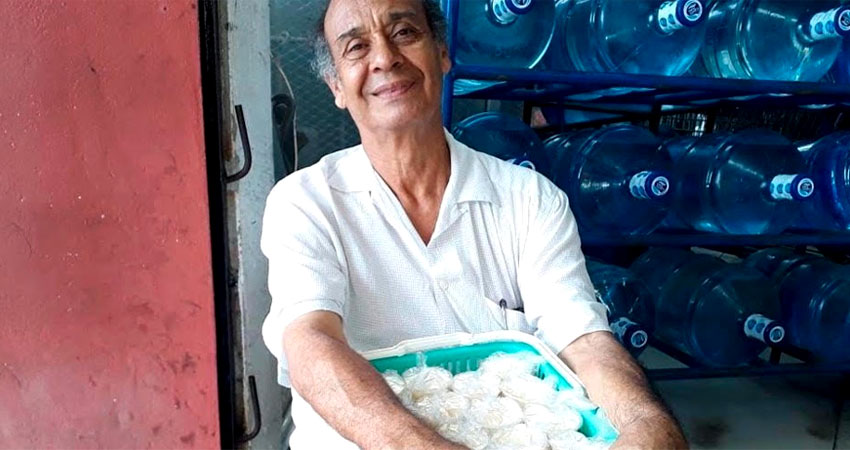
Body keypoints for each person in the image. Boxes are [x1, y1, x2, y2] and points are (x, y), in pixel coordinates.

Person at [260, 0, 688, 448]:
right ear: (336, 87)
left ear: (442, 54)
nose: (385, 59)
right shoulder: (305, 203)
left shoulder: (529, 198)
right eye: (357, 47)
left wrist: (644, 422)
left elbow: (579, 336)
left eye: (404, 33)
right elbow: (310, 341)